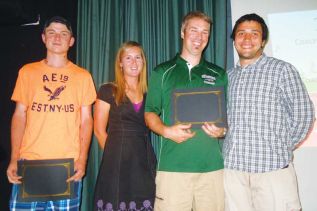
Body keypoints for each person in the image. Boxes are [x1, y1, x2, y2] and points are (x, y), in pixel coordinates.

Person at [223, 13, 315, 211]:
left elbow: (304, 114)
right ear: (234, 39)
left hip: (272, 171)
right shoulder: (227, 77)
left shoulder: (282, 70)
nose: (247, 39)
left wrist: (281, 147)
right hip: (234, 172)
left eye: (254, 34)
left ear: (263, 41)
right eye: (241, 33)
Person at [6, 16, 96, 210]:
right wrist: (14, 158)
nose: (57, 37)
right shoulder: (27, 72)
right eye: (52, 32)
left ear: (71, 41)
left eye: (63, 33)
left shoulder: (83, 76)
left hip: (67, 167)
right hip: (29, 164)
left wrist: (82, 159)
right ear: (43, 38)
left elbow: (87, 120)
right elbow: (19, 115)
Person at [145, 11, 227, 211]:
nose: (199, 37)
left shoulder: (219, 74)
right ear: (182, 32)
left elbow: (224, 120)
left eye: (205, 32)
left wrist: (222, 131)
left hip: (211, 170)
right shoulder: (162, 72)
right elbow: (149, 113)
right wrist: (166, 131)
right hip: (173, 169)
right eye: (194, 30)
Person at [93, 41, 156, 211]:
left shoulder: (150, 94)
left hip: (144, 159)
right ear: (120, 63)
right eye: (128, 58)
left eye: (138, 58)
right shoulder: (107, 90)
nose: (134, 62)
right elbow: (99, 130)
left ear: (143, 62)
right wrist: (115, 157)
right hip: (116, 161)